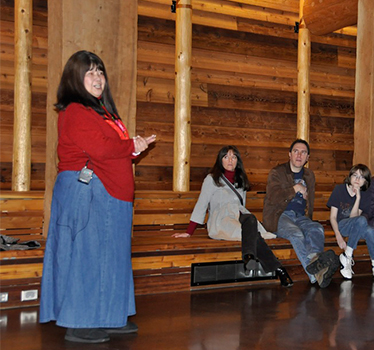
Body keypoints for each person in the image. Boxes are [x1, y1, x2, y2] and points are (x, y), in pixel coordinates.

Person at [39, 50, 156, 343]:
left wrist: (133, 145)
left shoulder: (104, 112)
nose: (97, 78)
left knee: (112, 259)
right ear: (75, 78)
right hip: (92, 192)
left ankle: (109, 317)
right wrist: (132, 145)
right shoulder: (76, 110)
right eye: (90, 72)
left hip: (112, 195)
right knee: (88, 258)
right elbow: (101, 149)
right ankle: (79, 322)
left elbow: (112, 147)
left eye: (100, 72)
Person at [172, 145, 293, 287]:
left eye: (234, 157)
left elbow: (242, 206)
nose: (230, 160)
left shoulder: (240, 180)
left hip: (239, 217)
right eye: (226, 157)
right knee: (253, 235)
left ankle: (250, 257)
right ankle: (277, 268)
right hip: (221, 220)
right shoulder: (211, 179)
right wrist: (189, 232)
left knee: (251, 219)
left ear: (238, 161)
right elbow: (202, 204)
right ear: (220, 160)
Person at [263, 139, 339, 288]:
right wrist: (295, 189)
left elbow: (309, 202)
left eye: (303, 152)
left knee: (316, 228)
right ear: (289, 154)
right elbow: (272, 196)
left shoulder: (309, 175)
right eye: (296, 151)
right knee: (296, 234)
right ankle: (315, 275)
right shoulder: (277, 172)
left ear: (307, 157)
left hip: (300, 217)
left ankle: (315, 265)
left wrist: (308, 220)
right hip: (280, 216)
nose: (299, 155)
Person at [327, 164, 374, 281]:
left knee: (370, 230)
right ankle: (348, 256)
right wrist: (338, 236)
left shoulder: (365, 195)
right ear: (350, 176)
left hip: (356, 226)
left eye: (361, 177)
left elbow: (354, 217)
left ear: (365, 181)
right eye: (355, 175)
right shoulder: (339, 189)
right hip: (342, 226)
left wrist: (358, 198)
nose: (357, 179)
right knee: (362, 220)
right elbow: (332, 217)